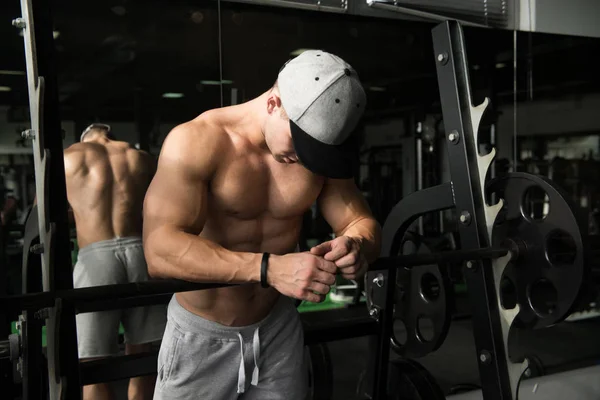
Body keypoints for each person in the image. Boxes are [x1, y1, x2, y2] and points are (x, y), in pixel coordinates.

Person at [143, 50, 382, 400]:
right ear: (274, 103)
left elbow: (360, 221)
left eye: (316, 151)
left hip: (278, 328)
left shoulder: (314, 156)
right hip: (203, 336)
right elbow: (159, 250)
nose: (304, 158)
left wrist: (357, 246)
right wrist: (269, 268)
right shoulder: (197, 141)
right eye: (301, 144)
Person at [64, 124, 166, 400]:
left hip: (96, 257)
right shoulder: (139, 157)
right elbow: (158, 208)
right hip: (139, 254)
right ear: (110, 134)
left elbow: (44, 216)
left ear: (85, 138)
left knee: (92, 362)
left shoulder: (69, 157)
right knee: (141, 356)